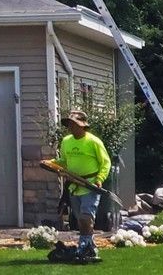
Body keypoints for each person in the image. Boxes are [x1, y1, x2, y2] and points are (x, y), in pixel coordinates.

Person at [48, 110, 111, 259]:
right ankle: (89, 247)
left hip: (90, 185)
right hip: (73, 185)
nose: (71, 127)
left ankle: (84, 245)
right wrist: (51, 163)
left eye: (74, 124)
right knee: (80, 219)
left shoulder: (93, 142)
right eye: (69, 124)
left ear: (83, 125)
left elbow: (105, 162)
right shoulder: (66, 141)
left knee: (85, 218)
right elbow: (64, 161)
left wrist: (100, 178)